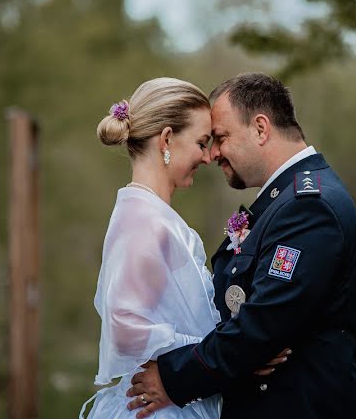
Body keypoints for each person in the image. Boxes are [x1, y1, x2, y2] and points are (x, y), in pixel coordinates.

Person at [126, 73, 356, 419]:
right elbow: (242, 321)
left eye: (221, 138)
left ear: (260, 128)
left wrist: (172, 377)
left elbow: (261, 326)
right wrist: (249, 353)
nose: (212, 154)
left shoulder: (310, 206)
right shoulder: (282, 203)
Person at [81, 77, 285, 419]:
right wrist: (233, 354)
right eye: (201, 142)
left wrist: (238, 352)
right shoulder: (142, 220)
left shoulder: (152, 215)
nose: (208, 157)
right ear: (166, 140)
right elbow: (124, 327)